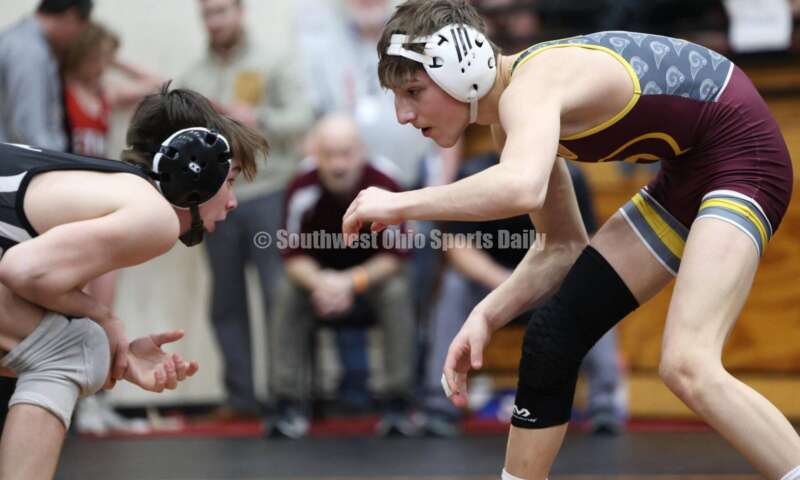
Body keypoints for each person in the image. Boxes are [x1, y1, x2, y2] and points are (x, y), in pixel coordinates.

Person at [341, 1, 797, 479]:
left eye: (413, 91)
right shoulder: (511, 118)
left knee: (687, 364)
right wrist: (487, 313)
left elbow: (520, 187)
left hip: (745, 158)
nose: (402, 114)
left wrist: (398, 203)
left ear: (465, 68)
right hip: (689, 171)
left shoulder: (533, 86)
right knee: (552, 336)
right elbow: (560, 246)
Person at [0, 83, 269, 480]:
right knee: (72, 348)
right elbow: (22, 272)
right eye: (229, 181)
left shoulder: (109, 187)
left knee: (76, 344)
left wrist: (112, 347)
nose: (232, 202)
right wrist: (104, 320)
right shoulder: (152, 216)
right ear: (195, 168)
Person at [178, 0, 313, 420]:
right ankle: (241, 399)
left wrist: (256, 117)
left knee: (279, 295)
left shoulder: (273, 61)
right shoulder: (195, 76)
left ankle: (286, 396)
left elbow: (302, 117)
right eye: (208, 15)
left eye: (222, 12)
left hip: (269, 192)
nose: (215, 22)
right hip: (216, 201)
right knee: (226, 302)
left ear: (240, 12)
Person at [271, 114, 416, 438]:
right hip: (319, 284)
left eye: (346, 153)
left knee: (397, 291)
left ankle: (397, 401)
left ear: (361, 151)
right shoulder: (301, 186)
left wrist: (351, 281)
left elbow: (397, 256)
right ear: (315, 153)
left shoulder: (386, 182)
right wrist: (323, 283)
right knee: (286, 291)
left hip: (370, 283)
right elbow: (292, 256)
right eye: (329, 154)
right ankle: (287, 402)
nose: (338, 164)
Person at [61, 21, 165, 435]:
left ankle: (98, 400)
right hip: (68, 207)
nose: (104, 64)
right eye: (100, 56)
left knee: (105, 309)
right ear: (83, 54)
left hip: (98, 208)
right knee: (76, 308)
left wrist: (115, 55)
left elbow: (157, 85)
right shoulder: (60, 90)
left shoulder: (102, 92)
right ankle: (78, 401)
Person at [0, 0, 92, 151]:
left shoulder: (13, 38)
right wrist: (55, 165)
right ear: (71, 16)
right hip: (21, 163)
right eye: (80, 30)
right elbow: (29, 128)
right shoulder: (30, 50)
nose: (76, 38)